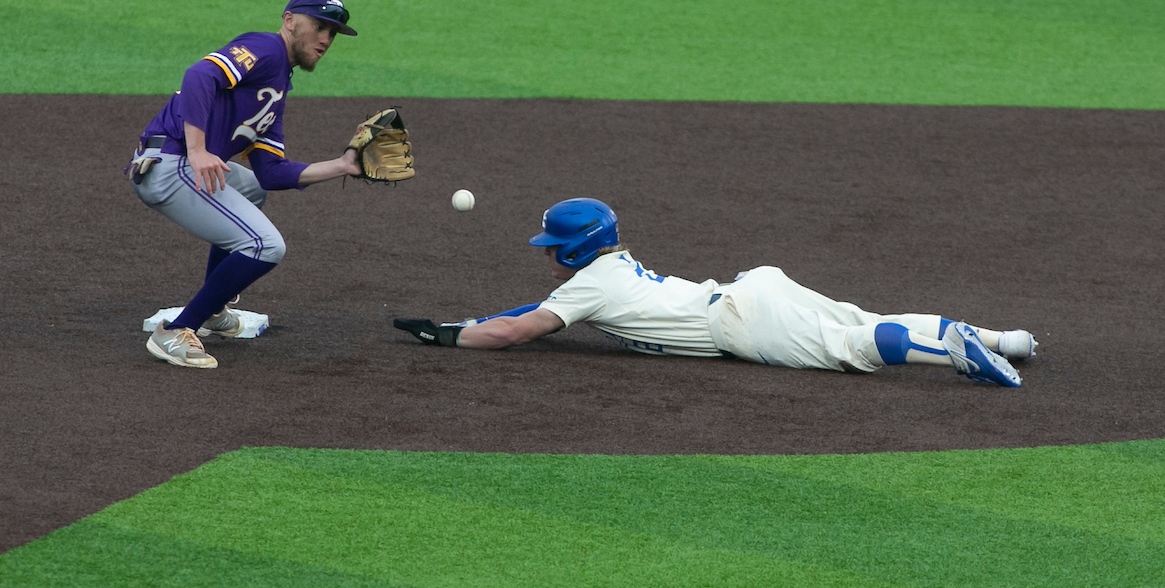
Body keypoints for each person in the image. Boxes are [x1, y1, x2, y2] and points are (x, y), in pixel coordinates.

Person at [395, 198, 1037, 387]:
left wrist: (450, 334)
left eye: (552, 247)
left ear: (573, 248)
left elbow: (517, 329)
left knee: (853, 346)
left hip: (741, 321)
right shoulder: (611, 270)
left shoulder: (586, 285)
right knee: (865, 316)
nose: (549, 257)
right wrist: (473, 319)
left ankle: (953, 354)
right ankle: (1001, 338)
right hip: (753, 288)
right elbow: (531, 314)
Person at [129, 0, 365, 369]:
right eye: (319, 26)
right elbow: (200, 75)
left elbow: (271, 173)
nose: (325, 39)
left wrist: (343, 165)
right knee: (267, 245)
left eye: (333, 33)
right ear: (290, 20)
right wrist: (198, 150)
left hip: (178, 164)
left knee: (252, 189)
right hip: (169, 164)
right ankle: (176, 331)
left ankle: (213, 310)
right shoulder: (265, 49)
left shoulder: (277, 87)